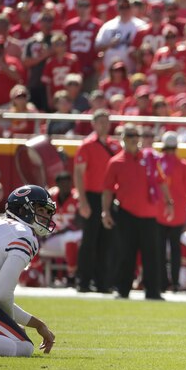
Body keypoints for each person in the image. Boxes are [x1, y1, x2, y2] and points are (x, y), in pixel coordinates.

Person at [0, 185, 56, 357]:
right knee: (22, 345)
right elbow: (2, 295)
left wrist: (38, 324)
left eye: (48, 212)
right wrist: (10, 322)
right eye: (41, 210)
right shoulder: (25, 236)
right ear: (22, 209)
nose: (46, 216)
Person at [101, 123, 175, 301]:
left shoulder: (150, 158)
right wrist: (105, 212)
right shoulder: (115, 162)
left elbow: (161, 180)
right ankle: (123, 289)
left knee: (152, 255)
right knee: (126, 253)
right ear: (123, 139)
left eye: (137, 136)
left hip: (149, 214)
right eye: (130, 136)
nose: (135, 139)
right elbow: (108, 190)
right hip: (126, 213)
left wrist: (169, 202)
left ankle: (153, 292)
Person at [74, 109, 122, 293]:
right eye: (100, 122)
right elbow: (78, 173)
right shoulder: (86, 145)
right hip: (92, 196)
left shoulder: (115, 145)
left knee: (107, 242)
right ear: (93, 124)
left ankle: (103, 282)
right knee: (89, 241)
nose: (104, 125)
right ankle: (83, 281)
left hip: (109, 196)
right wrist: (83, 201)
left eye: (106, 122)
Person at [157, 131, 186, 292]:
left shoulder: (156, 163)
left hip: (159, 212)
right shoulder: (183, 165)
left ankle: (161, 282)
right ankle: (175, 283)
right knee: (175, 249)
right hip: (178, 213)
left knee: (160, 249)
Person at [41, 172, 82, 286]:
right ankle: (35, 273)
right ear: (57, 184)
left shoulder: (77, 197)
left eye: (68, 184)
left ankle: (71, 275)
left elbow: (79, 223)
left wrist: (58, 231)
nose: (66, 186)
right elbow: (42, 217)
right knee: (34, 238)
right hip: (54, 235)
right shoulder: (51, 196)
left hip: (72, 233)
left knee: (70, 238)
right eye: (63, 184)